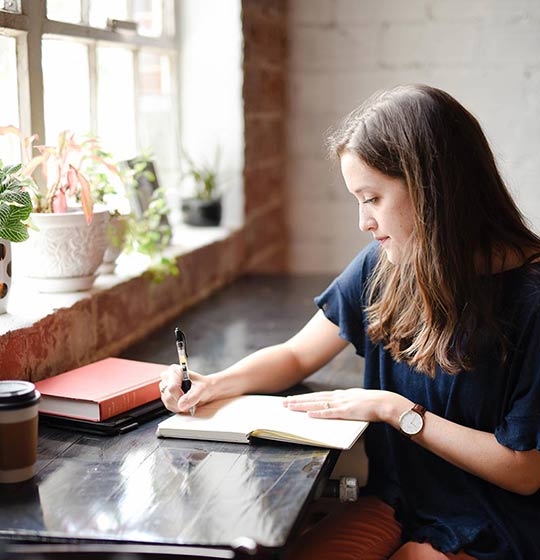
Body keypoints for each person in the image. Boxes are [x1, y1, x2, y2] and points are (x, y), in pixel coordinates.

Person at [160, 84, 540, 559]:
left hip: (500, 522)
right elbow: (298, 353)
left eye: (372, 198)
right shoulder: (383, 265)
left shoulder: (532, 301)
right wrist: (215, 383)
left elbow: (525, 471)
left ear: (433, 189)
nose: (363, 221)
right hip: (400, 503)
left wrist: (395, 410)